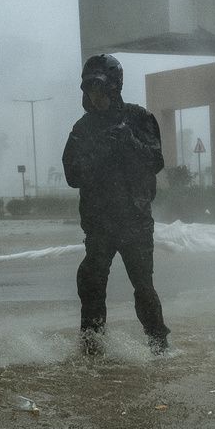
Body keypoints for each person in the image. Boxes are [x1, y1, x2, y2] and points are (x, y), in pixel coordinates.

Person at [62, 54, 170, 355]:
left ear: (113, 87)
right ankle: (92, 349)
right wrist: (100, 151)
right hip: (99, 223)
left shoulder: (138, 118)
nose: (93, 95)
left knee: (143, 287)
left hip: (135, 220)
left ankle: (159, 347)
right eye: (88, 89)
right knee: (90, 283)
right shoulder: (83, 128)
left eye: (98, 88)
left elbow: (156, 161)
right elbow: (72, 175)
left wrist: (128, 141)